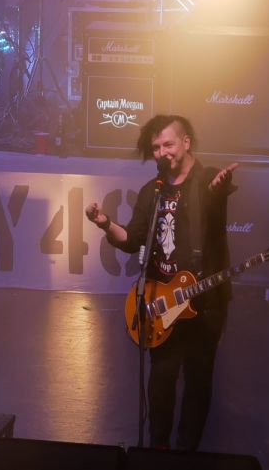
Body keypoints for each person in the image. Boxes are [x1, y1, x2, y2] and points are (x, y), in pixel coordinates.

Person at [86, 114, 240, 451]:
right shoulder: (152, 191)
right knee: (160, 382)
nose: (162, 152)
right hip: (162, 304)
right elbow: (131, 239)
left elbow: (215, 207)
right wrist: (104, 223)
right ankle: (158, 453)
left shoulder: (208, 180)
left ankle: (186, 454)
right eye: (156, 147)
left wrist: (217, 191)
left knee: (198, 381)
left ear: (186, 142)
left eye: (168, 144)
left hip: (204, 303)